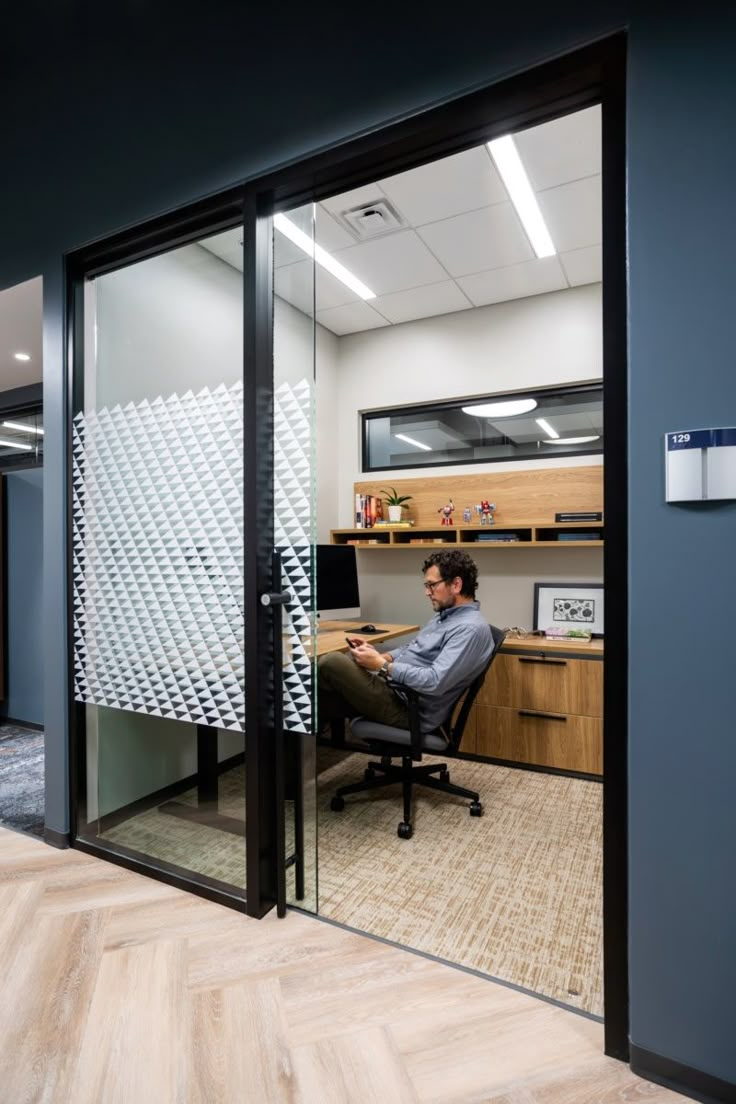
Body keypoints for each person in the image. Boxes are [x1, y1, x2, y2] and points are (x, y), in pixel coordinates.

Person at [318, 549, 493, 735]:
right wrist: (380, 656)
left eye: (432, 585)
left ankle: (304, 741)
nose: (427, 592)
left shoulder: (469, 629)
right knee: (318, 688)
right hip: (394, 690)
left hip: (409, 709)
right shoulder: (445, 616)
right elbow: (412, 648)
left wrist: (382, 666)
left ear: (456, 584)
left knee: (331, 662)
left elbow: (435, 681)